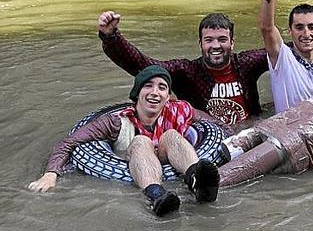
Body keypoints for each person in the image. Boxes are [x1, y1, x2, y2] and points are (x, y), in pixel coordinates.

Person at [98, 11, 313, 127]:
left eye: (221, 40)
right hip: (208, 133)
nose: (215, 46)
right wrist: (112, 37)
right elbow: (144, 67)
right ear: (200, 44)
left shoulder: (247, 63)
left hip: (250, 128)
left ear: (232, 42)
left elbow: (292, 46)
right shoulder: (187, 71)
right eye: (209, 41)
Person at [28, 66, 221, 216]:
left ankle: (198, 182)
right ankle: (156, 195)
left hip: (167, 155)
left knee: (171, 135)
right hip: (133, 162)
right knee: (140, 141)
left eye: (162, 88)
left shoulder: (180, 110)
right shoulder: (115, 122)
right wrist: (50, 174)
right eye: (148, 86)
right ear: (137, 93)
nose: (155, 92)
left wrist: (235, 139)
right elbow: (67, 143)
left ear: (167, 97)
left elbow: (214, 124)